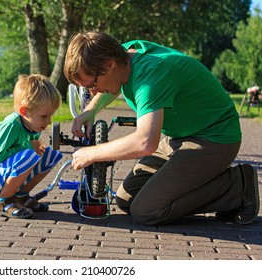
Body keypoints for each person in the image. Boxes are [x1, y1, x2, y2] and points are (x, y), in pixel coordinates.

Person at [64, 31, 260, 225]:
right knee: (126, 198)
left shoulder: (150, 76)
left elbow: (145, 142)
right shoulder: (124, 55)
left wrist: (91, 154)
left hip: (215, 137)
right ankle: (202, 183)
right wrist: (91, 110)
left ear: (109, 64)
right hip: (181, 137)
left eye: (92, 84)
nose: (93, 92)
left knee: (146, 211)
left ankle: (237, 186)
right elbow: (111, 85)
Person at [0, 74, 63, 219]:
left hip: (3, 176)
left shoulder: (32, 127)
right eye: (44, 116)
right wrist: (28, 147)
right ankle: (1, 202)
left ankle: (20, 197)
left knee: (51, 155)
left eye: (50, 116)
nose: (49, 121)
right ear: (24, 111)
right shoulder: (11, 125)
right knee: (29, 155)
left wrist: (32, 149)